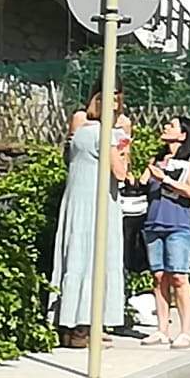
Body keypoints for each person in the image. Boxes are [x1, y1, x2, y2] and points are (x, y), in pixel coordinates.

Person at [51, 83, 129, 349]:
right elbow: (119, 172)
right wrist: (123, 153)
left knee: (74, 258)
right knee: (96, 259)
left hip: (76, 201)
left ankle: (66, 324)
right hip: (100, 202)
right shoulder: (107, 134)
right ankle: (86, 326)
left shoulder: (81, 132)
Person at [138, 117, 190, 349]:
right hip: (153, 221)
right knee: (158, 276)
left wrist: (164, 178)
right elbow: (141, 184)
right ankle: (161, 329)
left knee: (178, 275)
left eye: (172, 125)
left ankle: (185, 331)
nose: (166, 127)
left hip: (177, 223)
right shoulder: (156, 159)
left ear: (184, 135)